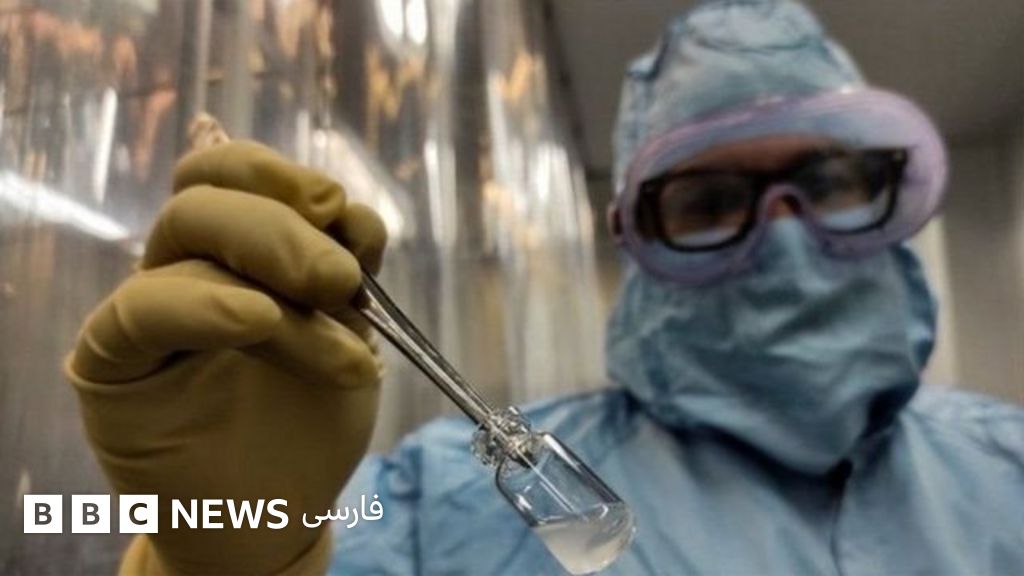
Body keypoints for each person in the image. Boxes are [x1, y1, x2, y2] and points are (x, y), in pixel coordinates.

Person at [67, 1, 1023, 574]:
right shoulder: (437, 504)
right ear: (636, 239)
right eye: (709, 201)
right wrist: (239, 553)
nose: (784, 240)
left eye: (832, 183)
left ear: (894, 194)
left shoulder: (1009, 468)